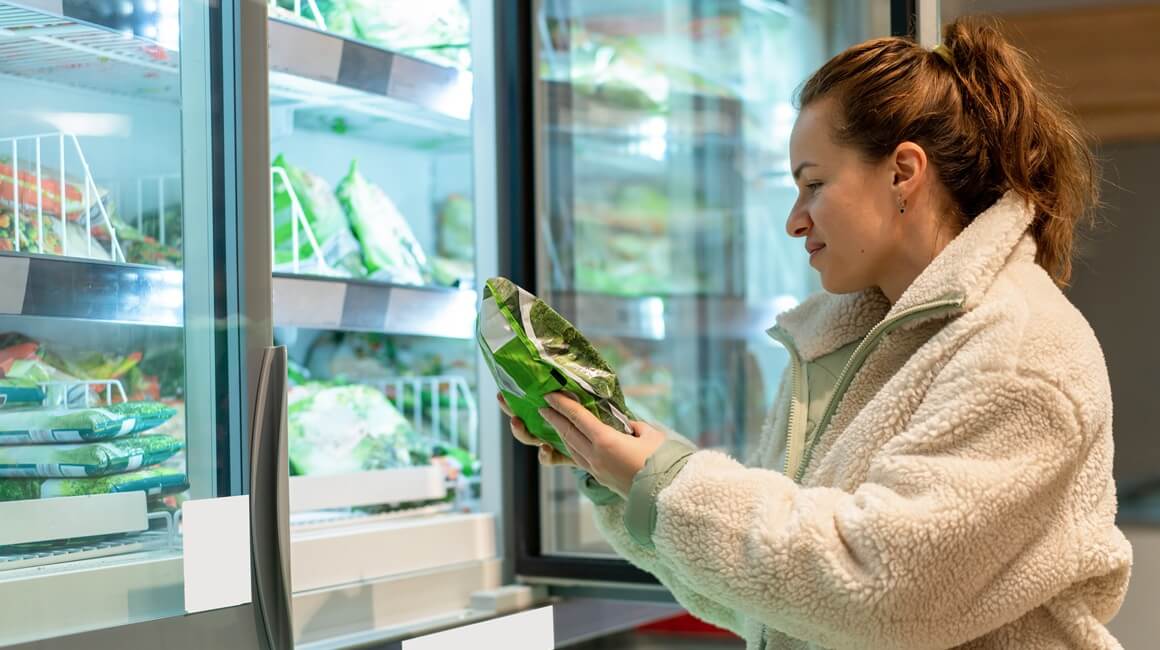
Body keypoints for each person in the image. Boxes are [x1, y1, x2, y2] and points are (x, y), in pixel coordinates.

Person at [498, 16, 1133, 650]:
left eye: (814, 183)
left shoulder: (1018, 354)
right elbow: (778, 601)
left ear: (902, 172)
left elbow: (881, 589)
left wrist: (664, 478)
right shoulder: (847, 343)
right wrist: (617, 471)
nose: (795, 221)